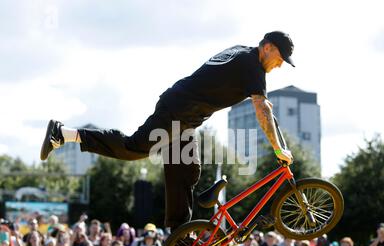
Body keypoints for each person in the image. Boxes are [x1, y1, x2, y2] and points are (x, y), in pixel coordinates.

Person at [40, 31, 295, 231]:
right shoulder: (253, 67)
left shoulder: (243, 53)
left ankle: (179, 234)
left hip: (185, 113)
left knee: (185, 168)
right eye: (280, 59)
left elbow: (254, 99)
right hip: (179, 112)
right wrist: (277, 148)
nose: (280, 66)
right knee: (134, 148)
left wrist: (264, 105)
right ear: (268, 47)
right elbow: (261, 108)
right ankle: (64, 133)